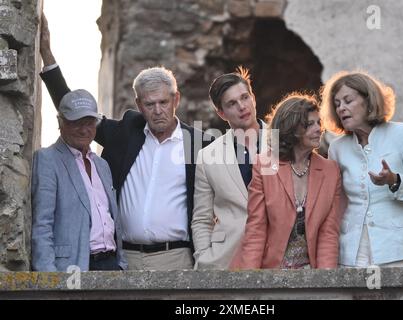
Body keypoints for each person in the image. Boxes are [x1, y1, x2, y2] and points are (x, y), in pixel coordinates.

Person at [39, 14, 211, 270]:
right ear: (139, 105)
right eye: (150, 104)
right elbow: (74, 112)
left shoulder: (199, 144)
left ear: (176, 100)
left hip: (177, 259)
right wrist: (47, 55)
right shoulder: (126, 132)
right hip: (125, 259)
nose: (157, 110)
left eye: (163, 102)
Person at [320, 70, 403, 267]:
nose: (341, 108)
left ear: (368, 101)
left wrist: (395, 181)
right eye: (337, 104)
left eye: (348, 101)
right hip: (352, 255)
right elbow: (337, 204)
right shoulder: (337, 148)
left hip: (402, 252)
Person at [230, 93, 342, 269]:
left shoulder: (331, 171)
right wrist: (249, 283)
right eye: (309, 124)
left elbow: (328, 233)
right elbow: (256, 229)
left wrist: (325, 282)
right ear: (292, 129)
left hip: (310, 273)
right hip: (270, 270)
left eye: (319, 123)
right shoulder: (264, 165)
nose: (318, 129)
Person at [32, 89, 127, 271]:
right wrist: (49, 278)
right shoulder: (47, 159)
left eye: (89, 123)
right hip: (72, 266)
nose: (84, 130)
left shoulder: (101, 165)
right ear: (60, 122)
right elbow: (42, 225)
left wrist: (121, 264)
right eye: (76, 123)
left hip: (111, 264)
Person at [191, 67, 268, 269]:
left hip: (277, 255)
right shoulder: (207, 156)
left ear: (253, 98)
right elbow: (201, 219)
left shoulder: (284, 142)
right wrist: (203, 257)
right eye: (232, 103)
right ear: (221, 113)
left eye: (245, 97)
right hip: (225, 259)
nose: (242, 106)